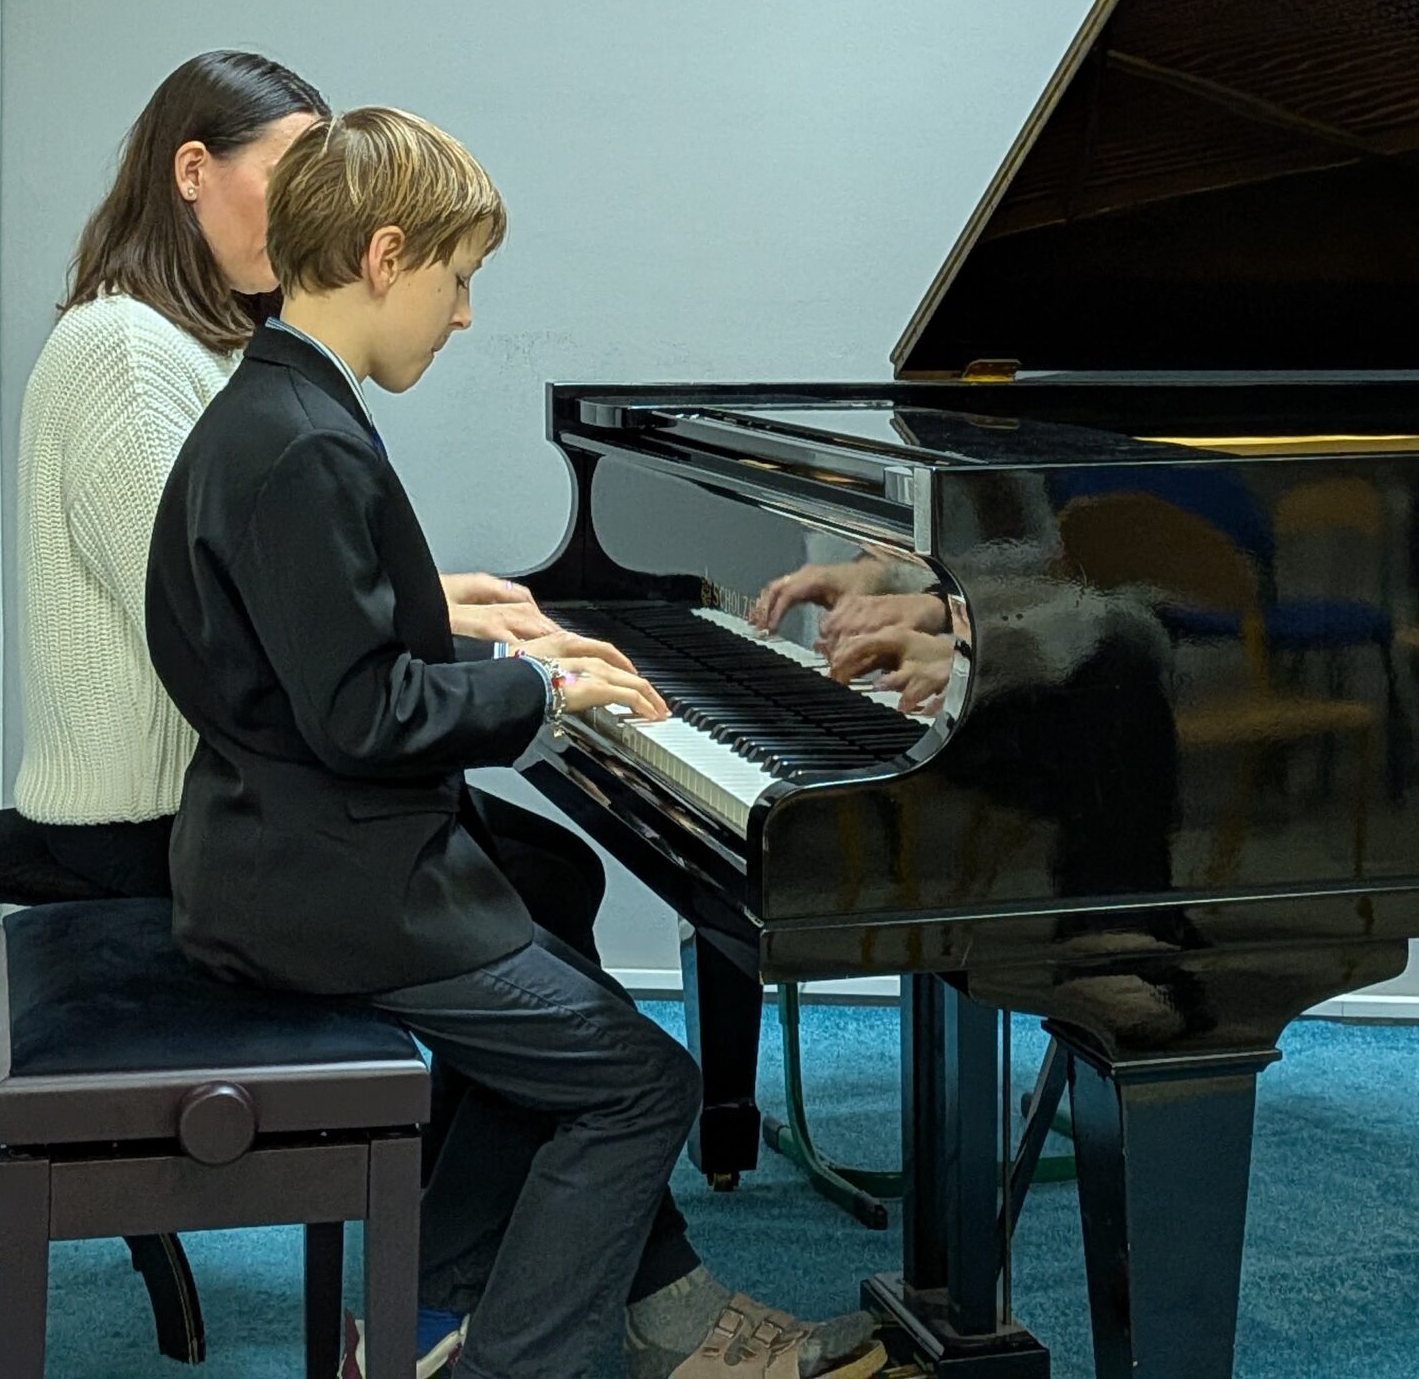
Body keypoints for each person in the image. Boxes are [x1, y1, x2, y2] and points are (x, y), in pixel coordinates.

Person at [145, 109, 883, 1379]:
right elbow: (364, 713)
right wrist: (540, 692)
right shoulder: (304, 445)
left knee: (555, 887)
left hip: (284, 843)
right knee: (641, 1086)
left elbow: (314, 644)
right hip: (327, 887)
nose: (465, 314)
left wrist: (478, 643)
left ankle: (431, 1309)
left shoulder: (277, 406)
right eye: (458, 278)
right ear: (384, 257)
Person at [0, 49, 551, 906]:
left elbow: (258, 582)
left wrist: (435, 610)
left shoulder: (209, 346)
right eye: (292, 177)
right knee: (530, 877)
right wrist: (487, 654)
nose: (308, 207)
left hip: (227, 791)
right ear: (192, 172)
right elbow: (216, 617)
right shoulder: (124, 351)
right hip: (157, 818)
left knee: (541, 865)